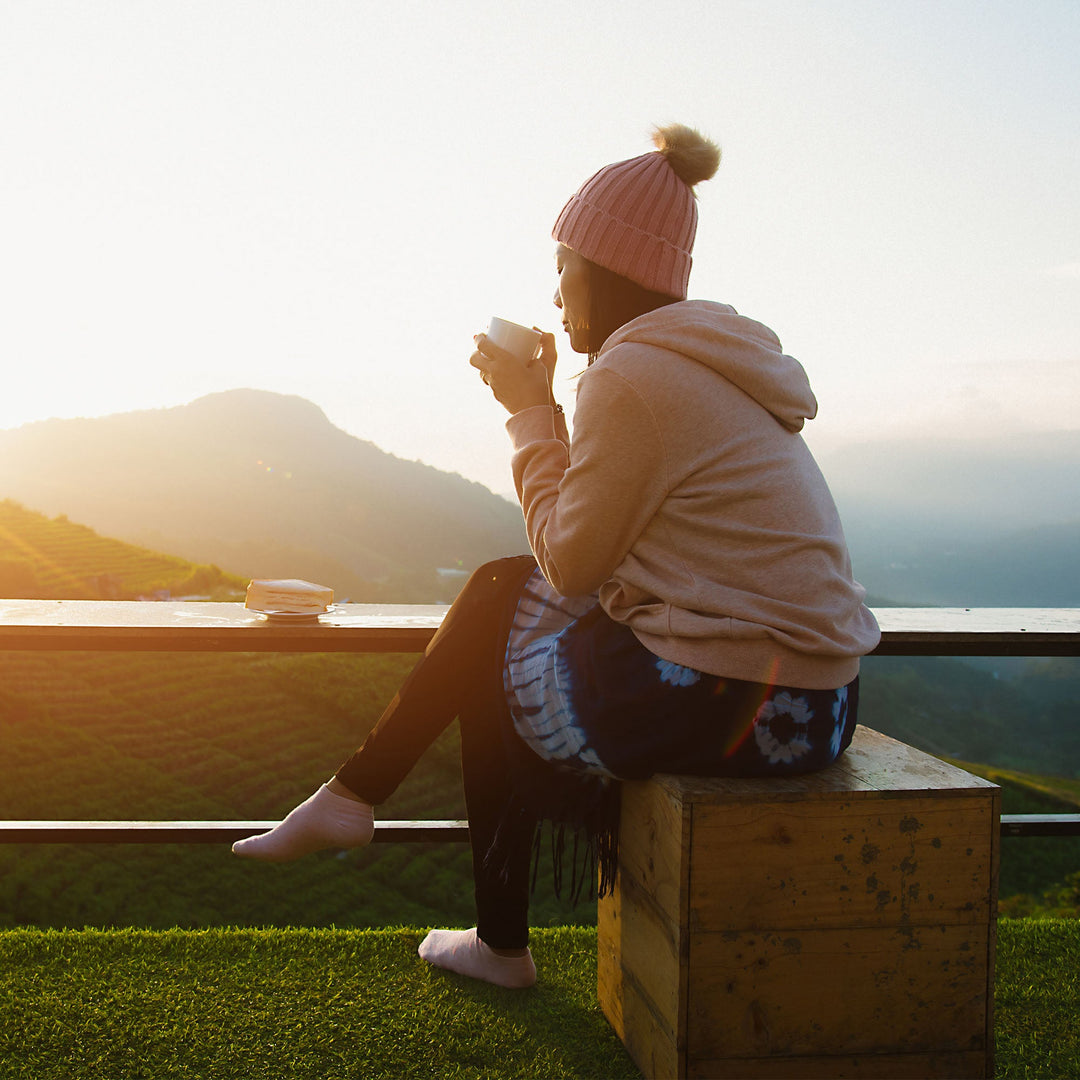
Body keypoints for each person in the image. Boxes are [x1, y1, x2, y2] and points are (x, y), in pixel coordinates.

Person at [233, 123, 881, 990]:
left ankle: (480, 921)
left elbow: (573, 562)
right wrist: (545, 409)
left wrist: (529, 413)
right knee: (502, 589)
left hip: (740, 708)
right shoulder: (701, 363)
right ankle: (361, 806)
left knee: (494, 639)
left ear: (609, 269)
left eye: (566, 267)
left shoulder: (630, 374)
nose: (558, 289)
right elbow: (606, 515)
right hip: (820, 703)